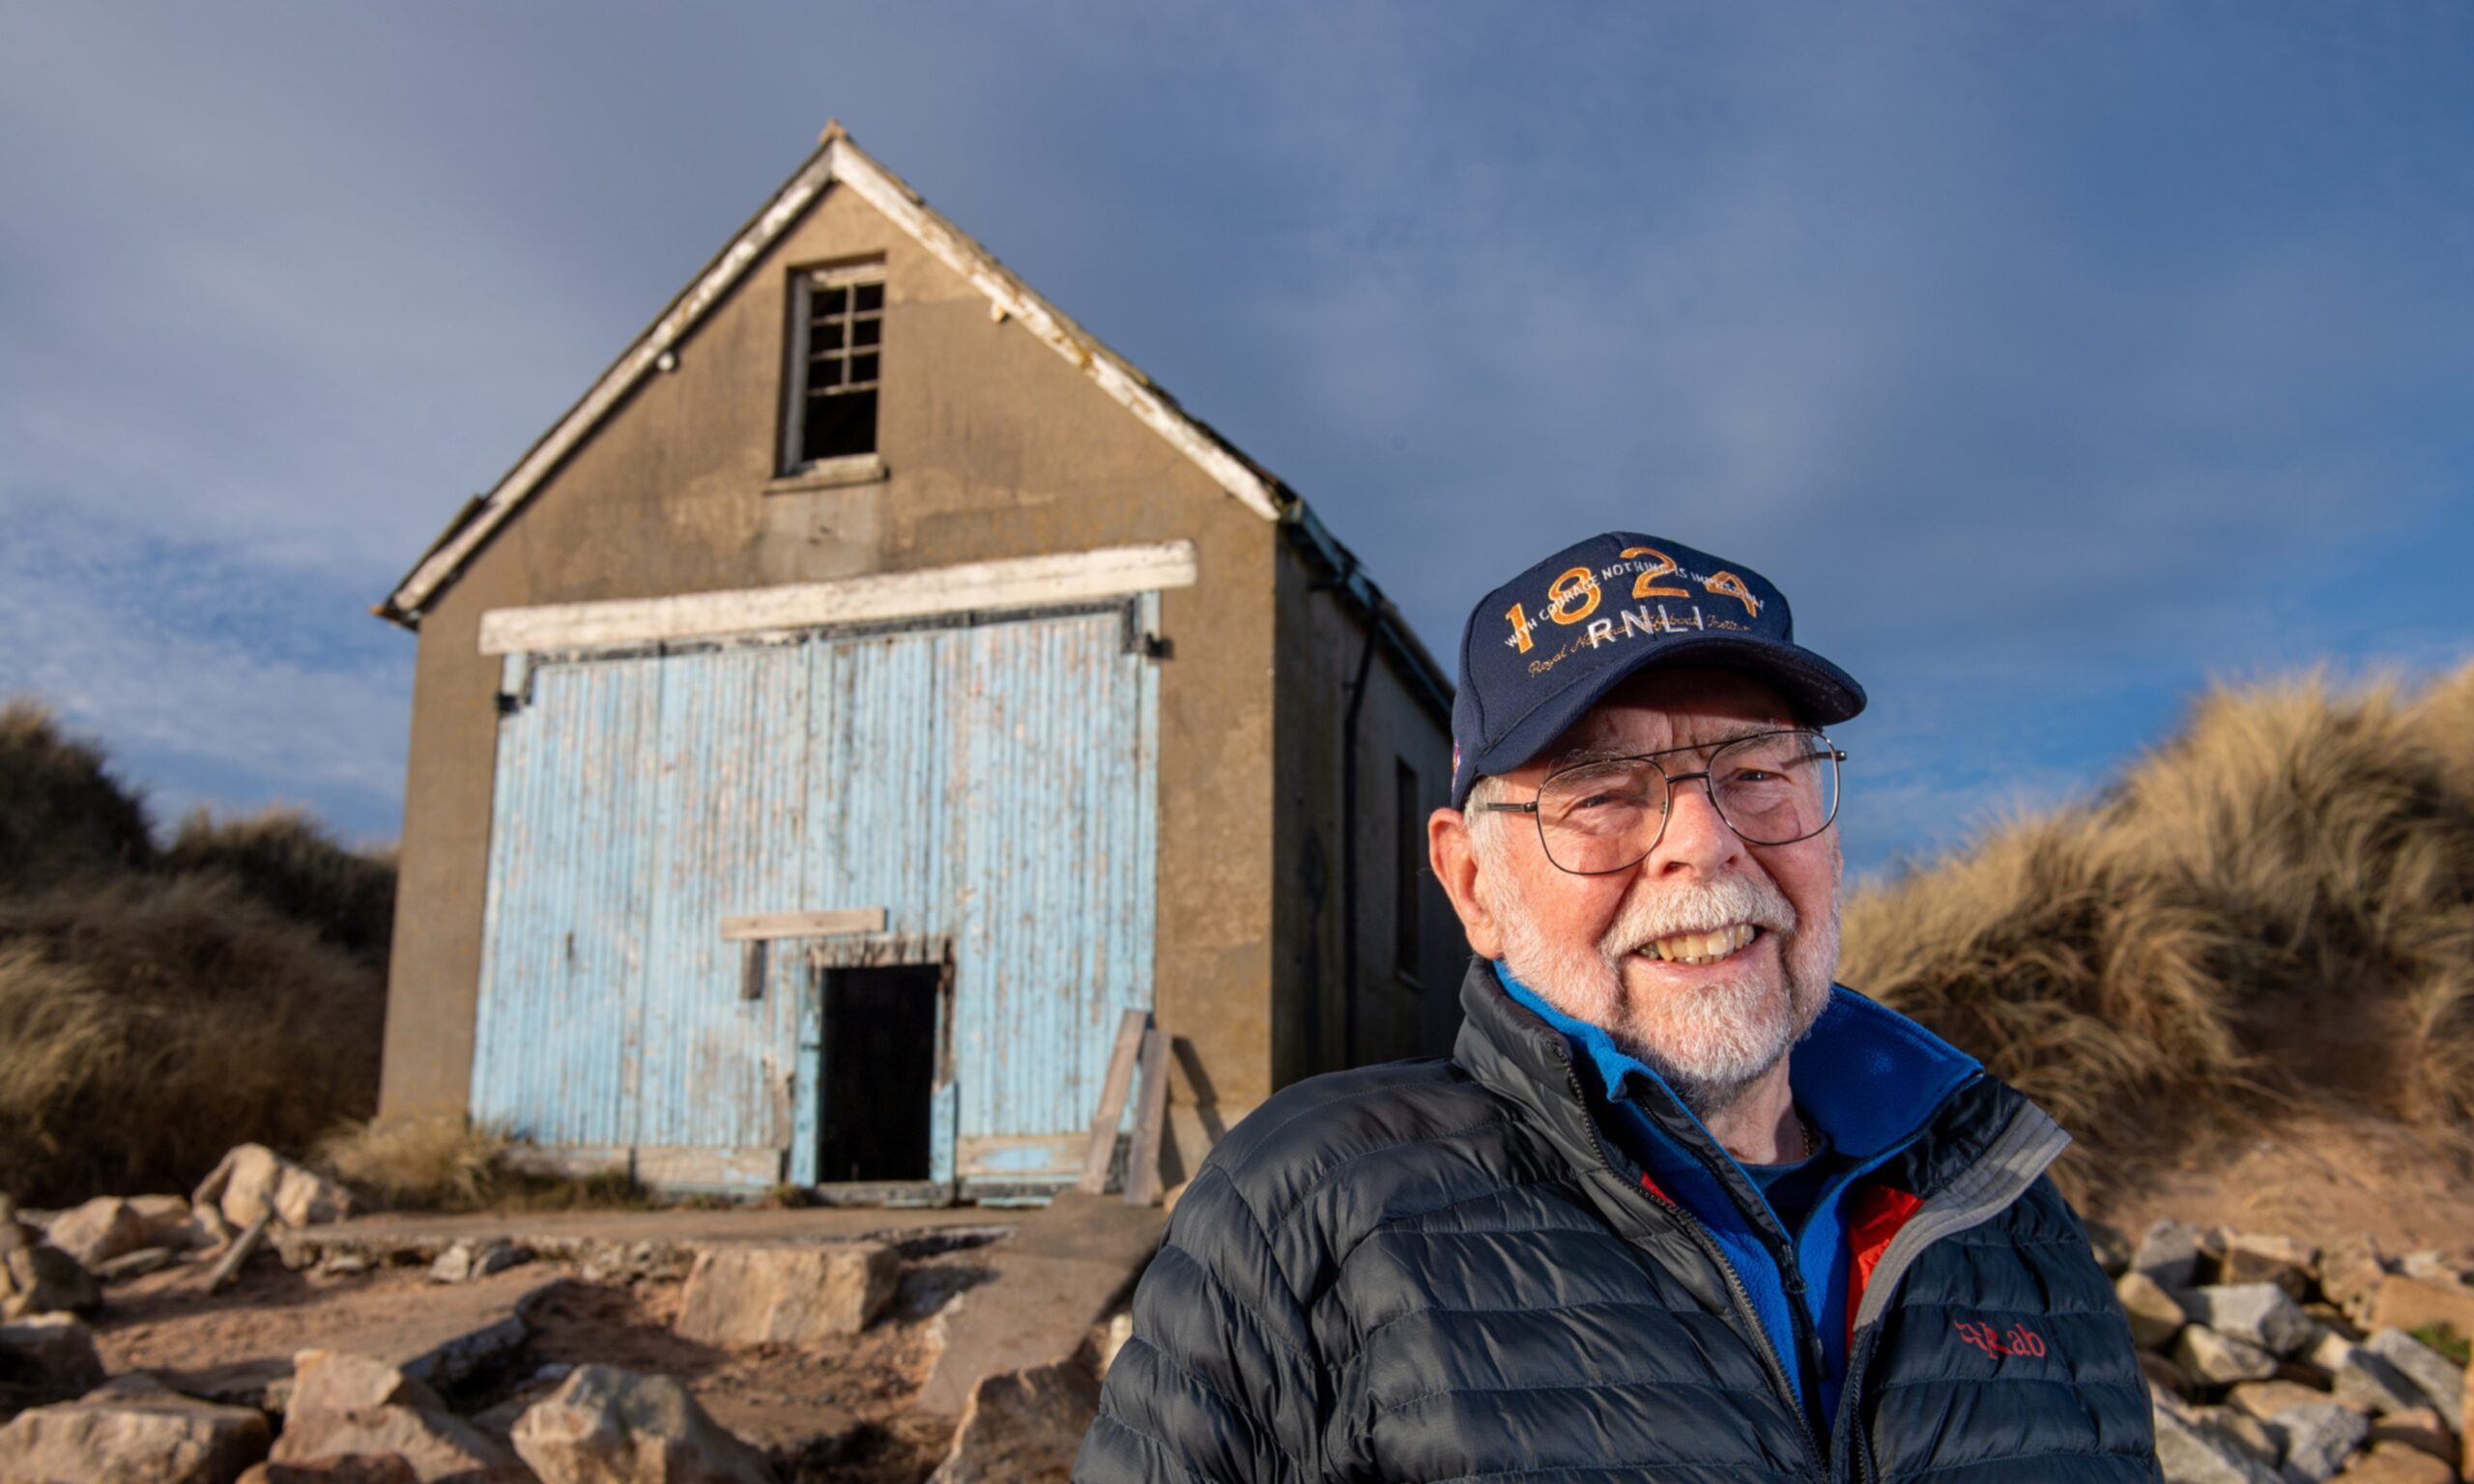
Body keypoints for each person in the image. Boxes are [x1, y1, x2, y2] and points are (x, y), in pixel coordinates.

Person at [1075, 532, 2156, 1483]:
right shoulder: (1308, 1210)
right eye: (1600, 795)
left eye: (1758, 773)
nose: (1705, 841)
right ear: (1472, 885)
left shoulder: (2003, 1206)